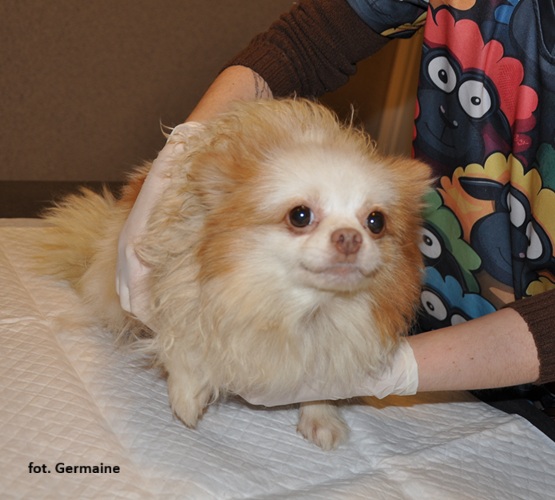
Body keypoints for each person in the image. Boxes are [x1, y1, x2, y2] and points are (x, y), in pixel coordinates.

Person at [117, 0, 555, 406]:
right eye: (301, 217)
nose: (349, 237)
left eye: (374, 222)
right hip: (453, 315)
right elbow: (309, 40)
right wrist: (184, 148)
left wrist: (390, 371)